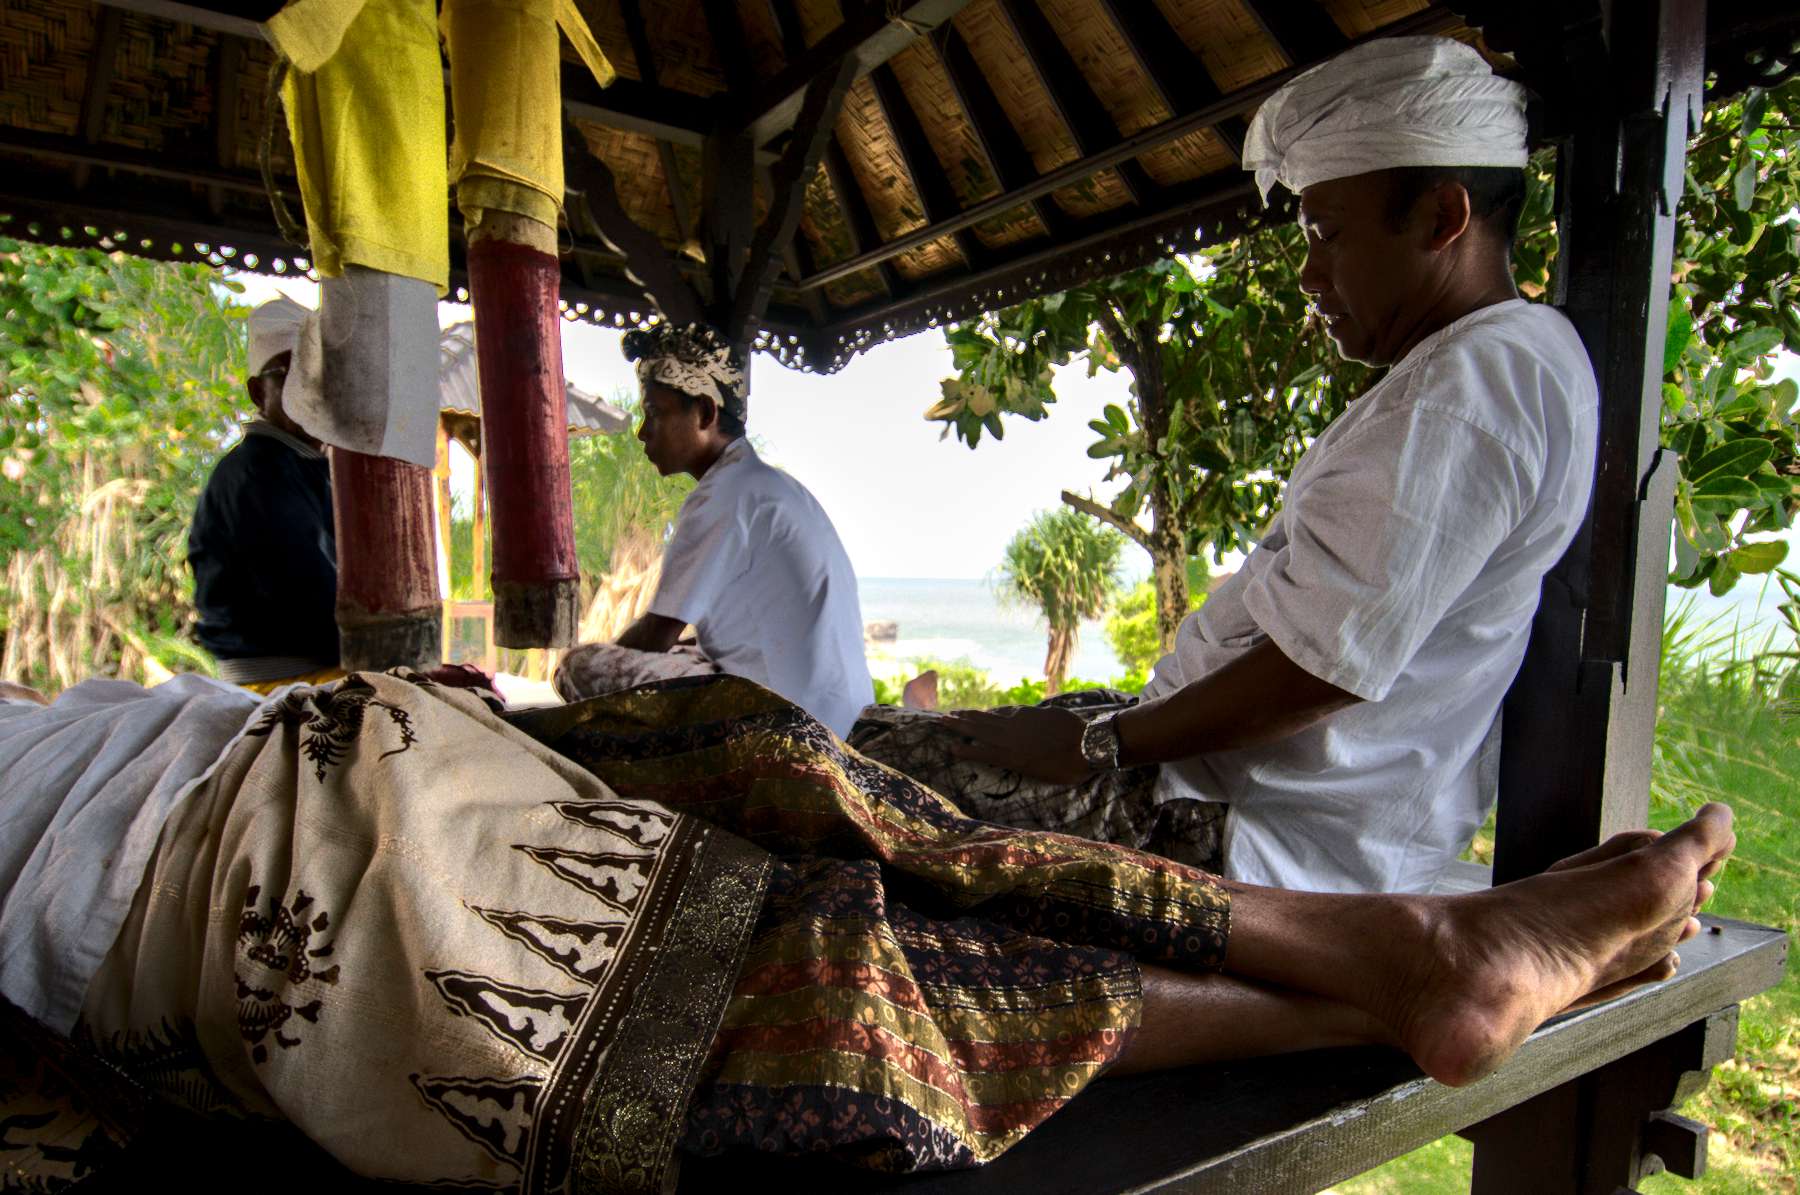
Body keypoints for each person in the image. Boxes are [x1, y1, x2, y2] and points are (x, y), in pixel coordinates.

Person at [0, 668, 1734, 1188]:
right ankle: (1396, 972)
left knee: (781, 772)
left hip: (256, 745)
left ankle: (1401, 949)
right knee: (740, 981)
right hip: (185, 848)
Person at [853, 36, 1599, 895]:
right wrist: (1107, 727)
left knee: (837, 771)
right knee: (879, 737)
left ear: (1442, 219)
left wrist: (1099, 744)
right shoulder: (1482, 369)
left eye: (1328, 235)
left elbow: (1320, 665)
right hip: (1210, 780)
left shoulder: (1472, 386)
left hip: (1252, 831)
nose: (1311, 276)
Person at [555, 322, 874, 738]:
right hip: (839, 708)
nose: (642, 433)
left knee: (578, 665)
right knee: (691, 650)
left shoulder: (722, 494)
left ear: (705, 413)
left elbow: (656, 634)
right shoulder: (769, 486)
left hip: (787, 717)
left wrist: (605, 657)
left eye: (655, 414)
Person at [187, 297, 342, 694]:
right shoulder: (257, 472)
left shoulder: (305, 465)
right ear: (259, 393)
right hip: (282, 681)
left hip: (318, 669)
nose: (308, 388)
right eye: (288, 375)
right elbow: (309, 598)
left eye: (318, 374)